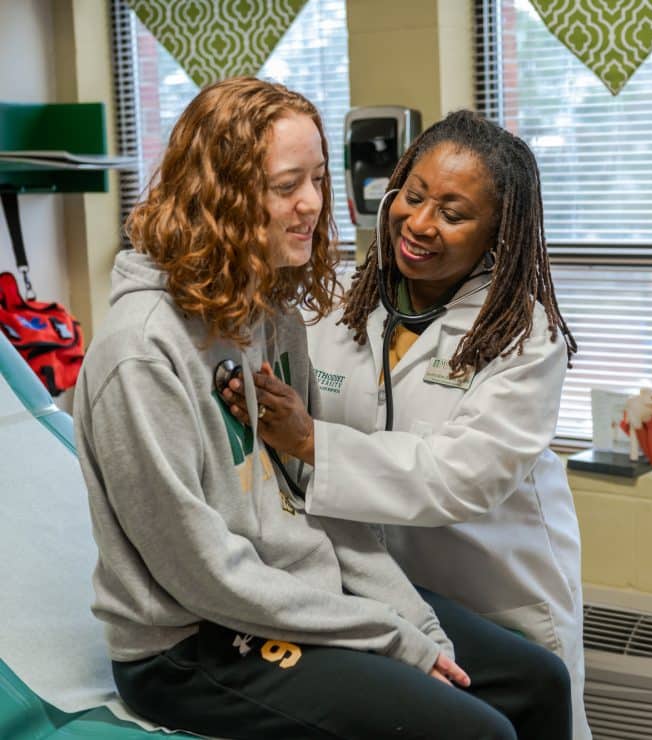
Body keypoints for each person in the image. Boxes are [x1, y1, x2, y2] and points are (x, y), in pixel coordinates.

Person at [73, 79, 572, 740]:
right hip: (193, 642)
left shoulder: (272, 317)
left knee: (539, 683)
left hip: (298, 587)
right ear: (218, 192)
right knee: (477, 733)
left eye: (317, 179)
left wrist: (410, 621)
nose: (312, 204)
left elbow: (320, 500)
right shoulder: (141, 352)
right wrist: (391, 635)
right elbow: (201, 572)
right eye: (287, 186)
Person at [222, 109, 590, 739]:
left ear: (497, 231)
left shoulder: (522, 338)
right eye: (412, 196)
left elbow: (460, 479)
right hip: (377, 597)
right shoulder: (334, 304)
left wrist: (310, 439)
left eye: (452, 213)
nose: (419, 224)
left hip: (493, 594)